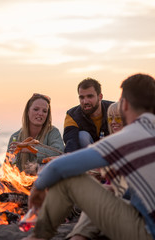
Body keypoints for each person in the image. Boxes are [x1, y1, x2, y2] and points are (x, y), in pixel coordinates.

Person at [22, 73, 155, 240]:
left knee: (69, 181)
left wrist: (38, 187)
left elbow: (58, 167)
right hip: (142, 217)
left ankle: (38, 237)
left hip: (147, 231)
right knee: (108, 191)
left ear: (125, 105)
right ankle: (79, 237)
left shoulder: (131, 135)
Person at [67, 101, 126, 240]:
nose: (113, 122)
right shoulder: (110, 143)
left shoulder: (129, 142)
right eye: (110, 118)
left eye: (118, 117)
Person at [6, 93, 64, 173]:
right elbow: (8, 166)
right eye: (36, 109)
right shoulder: (15, 137)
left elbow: (60, 153)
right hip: (22, 181)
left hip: (46, 178)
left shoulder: (52, 132)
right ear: (28, 111)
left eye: (44, 111)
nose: (40, 113)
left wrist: (30, 149)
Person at [63, 78, 113, 153]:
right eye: (82, 97)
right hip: (88, 156)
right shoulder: (72, 115)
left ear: (100, 97)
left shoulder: (114, 110)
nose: (85, 101)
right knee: (82, 136)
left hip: (113, 153)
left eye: (90, 96)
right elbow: (71, 142)